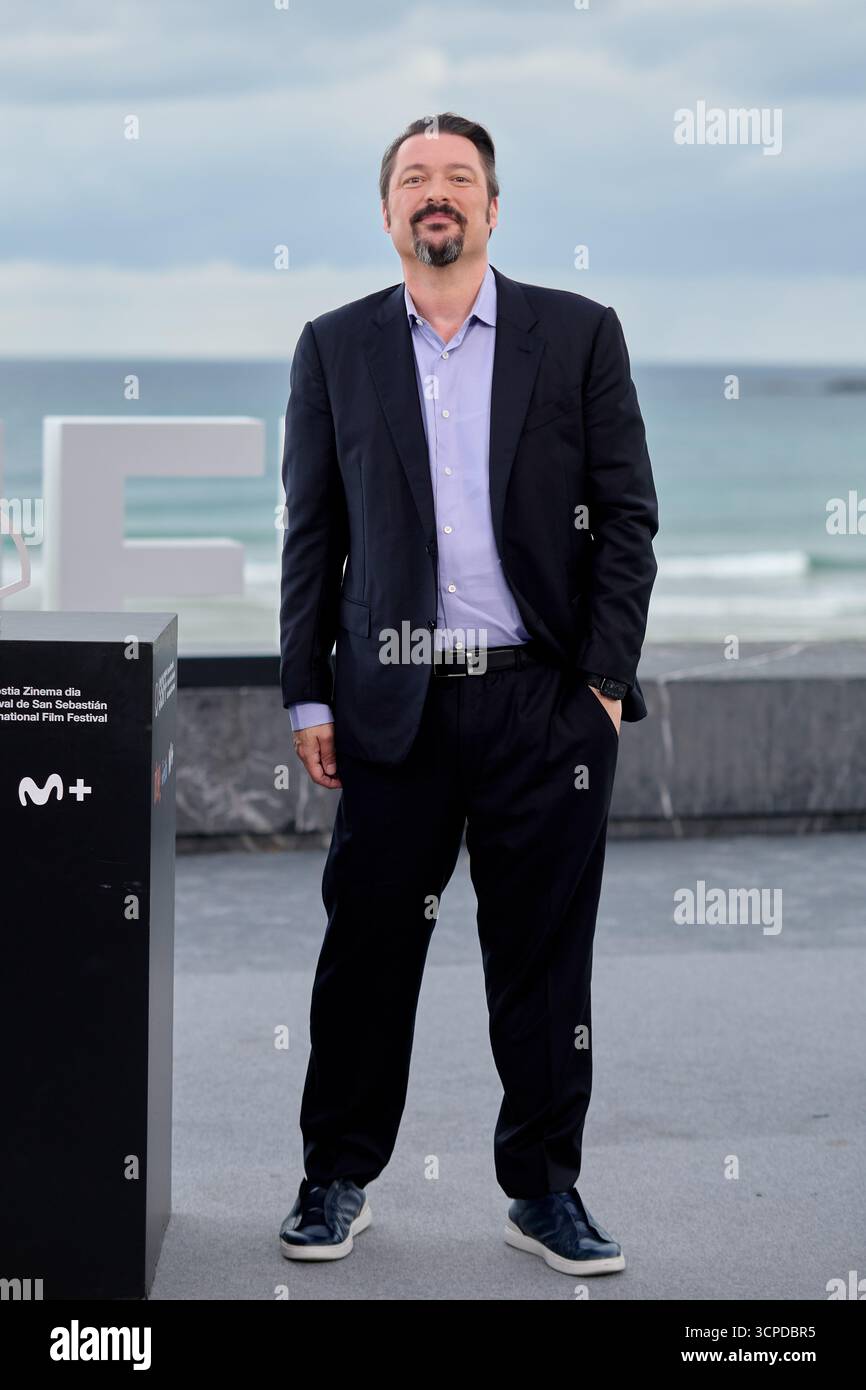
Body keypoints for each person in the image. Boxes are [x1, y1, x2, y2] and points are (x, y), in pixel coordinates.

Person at [277, 112, 658, 1277]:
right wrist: (306, 696)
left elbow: (626, 519)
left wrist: (599, 686)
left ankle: (542, 1191)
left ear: (492, 207)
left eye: (457, 177)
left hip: (541, 705)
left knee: (541, 961)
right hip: (390, 708)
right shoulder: (333, 346)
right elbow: (311, 533)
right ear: (387, 211)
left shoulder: (577, 334)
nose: (434, 192)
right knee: (366, 952)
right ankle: (335, 1176)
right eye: (413, 178)